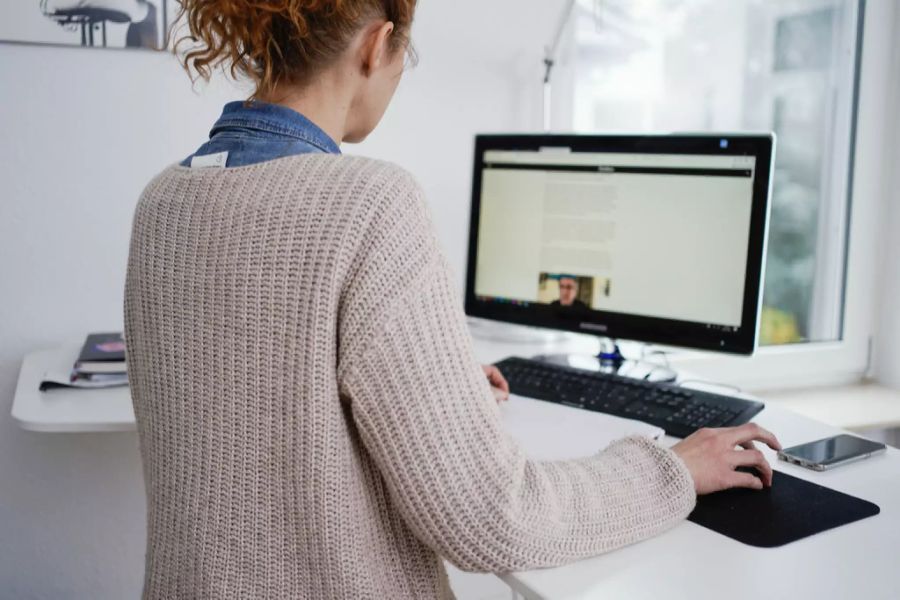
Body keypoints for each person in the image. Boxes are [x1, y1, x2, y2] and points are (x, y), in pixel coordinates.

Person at [123, 2, 782, 598]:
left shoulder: (165, 200)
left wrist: (427, 384)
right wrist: (670, 470)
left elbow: (253, 384)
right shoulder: (368, 204)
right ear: (378, 45)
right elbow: (492, 517)